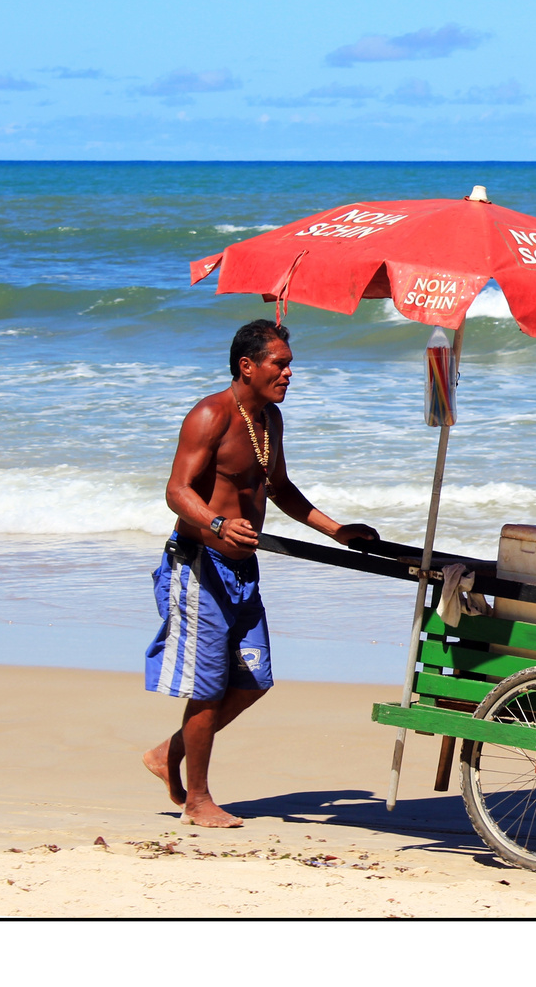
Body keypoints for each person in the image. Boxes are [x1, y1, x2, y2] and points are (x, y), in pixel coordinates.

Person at [141, 319, 380, 827]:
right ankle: (199, 801)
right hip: (200, 566)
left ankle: (168, 754)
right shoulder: (210, 415)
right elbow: (176, 492)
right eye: (281, 363)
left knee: (253, 679)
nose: (289, 373)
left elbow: (280, 488)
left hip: (242, 568)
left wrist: (337, 531)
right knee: (208, 686)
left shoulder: (269, 419)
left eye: (290, 364)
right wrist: (217, 522)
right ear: (247, 366)